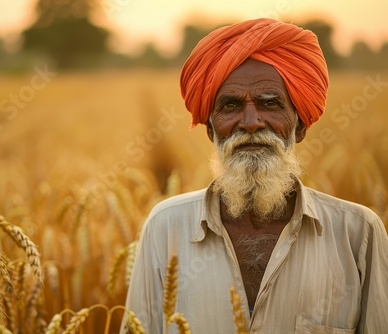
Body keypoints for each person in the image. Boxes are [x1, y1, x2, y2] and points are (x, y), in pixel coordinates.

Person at [123, 18, 388, 333]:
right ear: (210, 128)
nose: (250, 122)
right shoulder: (164, 228)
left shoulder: (358, 234)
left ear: (300, 125)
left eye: (270, 104)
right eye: (231, 105)